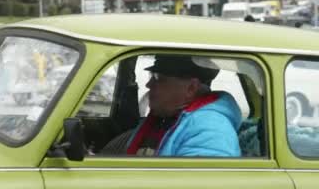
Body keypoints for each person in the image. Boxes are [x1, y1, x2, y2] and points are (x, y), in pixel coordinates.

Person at [103, 55, 242, 157]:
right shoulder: (165, 119)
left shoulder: (210, 131)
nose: (148, 84)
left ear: (191, 88)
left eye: (158, 78)